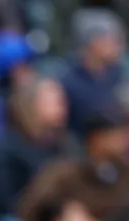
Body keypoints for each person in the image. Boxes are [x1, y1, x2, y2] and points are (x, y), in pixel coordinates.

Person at [17, 107, 129, 221]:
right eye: (117, 134)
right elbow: (29, 209)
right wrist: (60, 215)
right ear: (96, 138)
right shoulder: (64, 171)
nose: (123, 140)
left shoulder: (124, 175)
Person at [0, 74, 72, 217]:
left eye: (63, 101)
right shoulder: (7, 149)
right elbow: (2, 202)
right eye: (55, 102)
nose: (62, 107)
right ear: (30, 104)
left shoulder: (67, 144)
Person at [61, 8, 126, 137]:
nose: (120, 47)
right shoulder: (68, 80)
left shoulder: (118, 73)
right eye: (114, 40)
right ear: (95, 42)